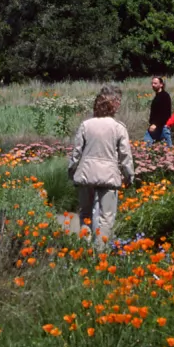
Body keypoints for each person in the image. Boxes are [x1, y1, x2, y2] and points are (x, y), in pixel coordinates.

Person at [67, 88, 134, 247]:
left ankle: (84, 248)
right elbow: (125, 156)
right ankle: (101, 253)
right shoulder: (118, 127)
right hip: (108, 176)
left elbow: (76, 153)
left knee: (85, 213)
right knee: (106, 217)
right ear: (113, 106)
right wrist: (129, 176)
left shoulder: (86, 125)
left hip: (86, 174)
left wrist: (71, 171)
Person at [144, 75, 173, 146]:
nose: (153, 85)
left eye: (155, 83)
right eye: (152, 83)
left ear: (161, 84)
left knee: (169, 151)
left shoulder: (164, 96)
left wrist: (156, 124)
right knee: (146, 146)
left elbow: (165, 113)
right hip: (155, 127)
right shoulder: (157, 96)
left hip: (163, 127)